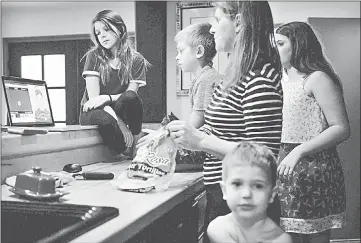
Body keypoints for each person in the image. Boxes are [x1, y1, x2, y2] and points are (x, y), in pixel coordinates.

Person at [166, 1, 284, 242]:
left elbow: (264, 155)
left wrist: (200, 139)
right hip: (223, 193)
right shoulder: (235, 74)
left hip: (244, 201)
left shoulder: (259, 78)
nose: (212, 28)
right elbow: (222, 129)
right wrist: (179, 135)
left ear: (239, 22)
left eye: (218, 20)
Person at [275, 21, 350, 243]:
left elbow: (341, 128)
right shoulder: (279, 81)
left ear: (298, 45)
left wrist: (298, 151)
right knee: (286, 235)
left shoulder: (317, 78)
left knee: (314, 236)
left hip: (313, 166)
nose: (274, 50)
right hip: (283, 164)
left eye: (280, 44)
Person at [79, 10, 150, 156]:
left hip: (116, 107)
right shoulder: (93, 56)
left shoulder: (136, 59)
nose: (102, 36)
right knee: (116, 141)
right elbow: (94, 100)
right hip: (95, 110)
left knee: (131, 97)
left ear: (120, 29)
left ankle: (136, 143)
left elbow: (131, 94)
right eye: (98, 33)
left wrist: (108, 97)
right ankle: (123, 147)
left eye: (106, 29)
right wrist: (121, 123)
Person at [207, 142, 292, 243]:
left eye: (258, 186)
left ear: (272, 194)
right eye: (237, 184)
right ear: (224, 190)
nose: (246, 194)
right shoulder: (217, 228)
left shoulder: (281, 240)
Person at [174, 22, 222, 128]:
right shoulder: (203, 77)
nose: (177, 57)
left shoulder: (206, 79)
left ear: (199, 51)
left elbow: (196, 122)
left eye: (181, 51)